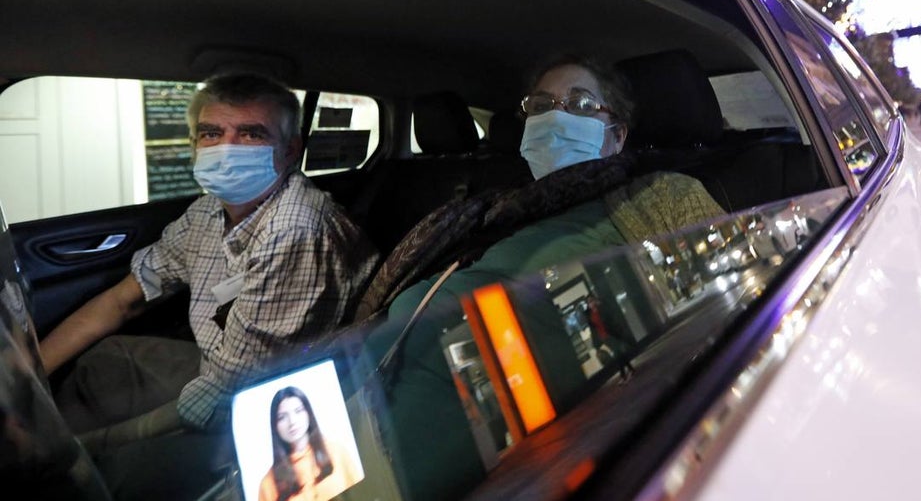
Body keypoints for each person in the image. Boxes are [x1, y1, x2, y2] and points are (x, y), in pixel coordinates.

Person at [349, 54, 725, 501]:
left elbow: (727, 304)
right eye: (542, 105)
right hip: (361, 410)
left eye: (580, 105)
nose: (555, 117)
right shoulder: (500, 208)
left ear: (616, 135)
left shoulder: (660, 196)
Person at [40, 73, 380, 450]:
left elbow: (227, 396)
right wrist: (27, 373)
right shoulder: (205, 214)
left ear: (289, 151)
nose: (227, 148)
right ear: (195, 146)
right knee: (105, 362)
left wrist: (78, 449)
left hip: (267, 398)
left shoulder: (295, 230)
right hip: (220, 363)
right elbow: (123, 301)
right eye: (211, 133)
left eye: (251, 134)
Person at [258, 386, 363, 501]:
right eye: (282, 417)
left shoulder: (337, 452)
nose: (292, 421)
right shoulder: (267, 484)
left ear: (308, 413)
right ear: (275, 425)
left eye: (298, 411)